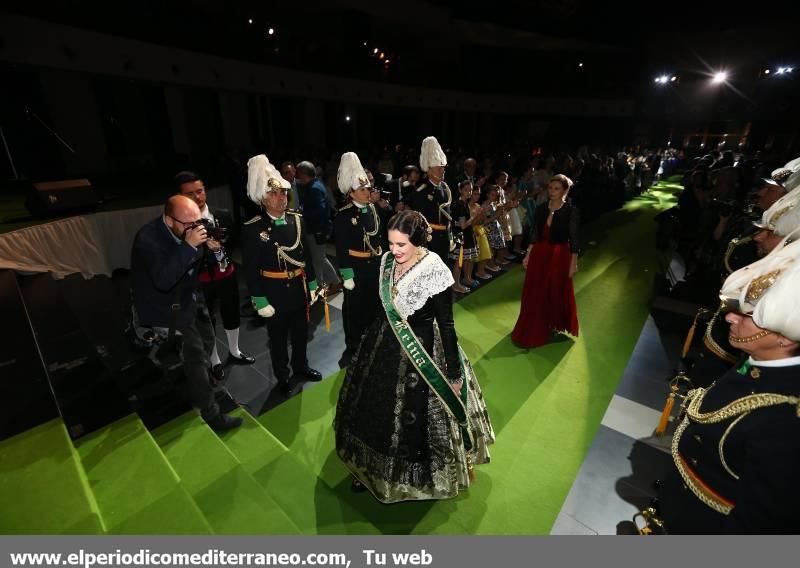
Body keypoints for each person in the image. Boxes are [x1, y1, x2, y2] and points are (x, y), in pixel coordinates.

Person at [334, 210, 495, 503]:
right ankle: (369, 470)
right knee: (373, 410)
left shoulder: (435, 269)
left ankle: (420, 481)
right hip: (384, 343)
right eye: (391, 244)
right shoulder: (386, 261)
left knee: (415, 424)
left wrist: (454, 372)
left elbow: (447, 325)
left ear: (418, 242)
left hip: (422, 348)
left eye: (401, 245)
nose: (393, 251)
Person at [655, 238, 800, 533]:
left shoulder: (787, 419)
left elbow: (760, 523)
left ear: (785, 337)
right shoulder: (757, 363)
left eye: (748, 315)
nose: (731, 317)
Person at [130, 195, 242, 432]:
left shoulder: (190, 230)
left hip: (190, 297)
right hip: (165, 306)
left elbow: (198, 265)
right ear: (169, 220)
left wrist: (213, 250)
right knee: (195, 357)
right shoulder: (148, 240)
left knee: (209, 339)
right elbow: (163, 280)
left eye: (198, 222)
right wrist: (189, 246)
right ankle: (211, 413)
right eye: (189, 224)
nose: (196, 229)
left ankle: (197, 379)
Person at [241, 155, 323, 391]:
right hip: (273, 292)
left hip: (298, 287)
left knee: (300, 333)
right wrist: (258, 298)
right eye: (274, 194)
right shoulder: (253, 228)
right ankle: (282, 375)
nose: (281, 198)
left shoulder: (297, 219)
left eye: (283, 193)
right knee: (277, 339)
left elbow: (306, 255)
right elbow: (251, 269)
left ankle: (301, 366)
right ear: (263, 199)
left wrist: (313, 283)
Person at [174, 171, 255, 383]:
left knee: (231, 311)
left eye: (200, 191)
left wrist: (219, 249)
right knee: (206, 320)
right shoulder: (178, 224)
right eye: (190, 194)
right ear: (181, 196)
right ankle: (214, 360)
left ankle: (235, 350)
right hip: (199, 281)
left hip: (226, 273)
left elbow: (234, 242)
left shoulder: (223, 214)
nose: (197, 197)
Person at [512, 174, 580, 348]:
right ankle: (532, 329)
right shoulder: (541, 208)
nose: (552, 191)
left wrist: (573, 262)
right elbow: (534, 234)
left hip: (559, 255)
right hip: (540, 254)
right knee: (534, 292)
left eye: (557, 188)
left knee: (554, 290)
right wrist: (528, 255)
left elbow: (574, 239)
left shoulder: (570, 211)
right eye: (550, 188)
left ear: (565, 190)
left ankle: (550, 323)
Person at [334, 152, 385, 368]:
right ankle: (353, 345)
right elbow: (341, 248)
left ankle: (371, 341)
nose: (368, 192)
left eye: (368, 188)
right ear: (351, 192)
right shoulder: (344, 215)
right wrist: (347, 275)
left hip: (373, 266)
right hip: (355, 269)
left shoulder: (372, 210)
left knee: (373, 306)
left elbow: (378, 237)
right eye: (363, 189)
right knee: (354, 310)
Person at [404, 136, 453, 262]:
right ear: (430, 170)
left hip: (444, 237)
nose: (443, 170)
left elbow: (448, 213)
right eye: (439, 167)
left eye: (443, 167)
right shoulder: (422, 191)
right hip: (430, 239)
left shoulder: (445, 187)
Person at [295, 160, 339, 289]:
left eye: (298, 174)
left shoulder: (314, 188)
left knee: (317, 261)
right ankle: (333, 282)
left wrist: (304, 215)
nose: (298, 177)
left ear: (304, 174)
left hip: (316, 230)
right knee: (319, 259)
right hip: (318, 229)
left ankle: (323, 285)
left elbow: (320, 211)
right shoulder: (316, 184)